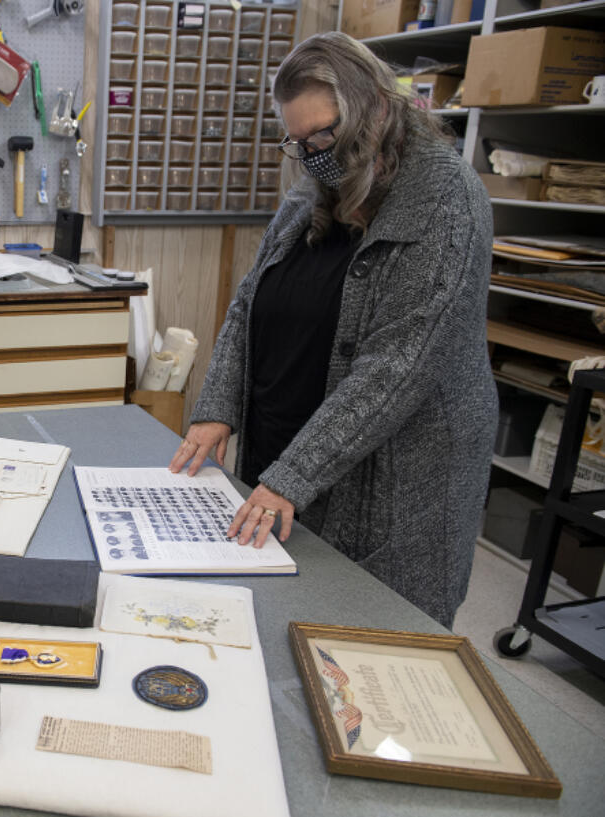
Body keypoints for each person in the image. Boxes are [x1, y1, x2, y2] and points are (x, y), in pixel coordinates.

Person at [168, 32, 497, 628]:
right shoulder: (315, 189)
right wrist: (217, 404)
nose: (314, 153)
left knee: (374, 657)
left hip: (390, 483)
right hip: (289, 452)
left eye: (324, 136)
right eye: (298, 143)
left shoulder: (445, 200)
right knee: (286, 632)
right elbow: (251, 300)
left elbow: (397, 368)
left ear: (375, 106)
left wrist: (292, 476)